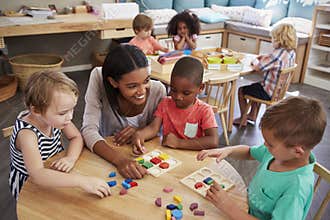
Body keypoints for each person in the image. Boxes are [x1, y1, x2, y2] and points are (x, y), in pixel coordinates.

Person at [197, 96, 327, 220]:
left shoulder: (296, 188)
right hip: (245, 208)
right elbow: (249, 152)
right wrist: (227, 150)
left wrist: (228, 206)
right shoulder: (278, 153)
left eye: (270, 144)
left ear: (298, 152)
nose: (265, 145)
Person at [9, 71, 111, 200]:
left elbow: (76, 137)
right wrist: (82, 181)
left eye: (72, 109)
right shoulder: (27, 135)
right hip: (29, 185)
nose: (70, 117)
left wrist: (70, 158)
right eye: (63, 113)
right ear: (36, 110)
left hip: (53, 171)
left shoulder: (55, 118)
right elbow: (37, 175)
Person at [81, 44, 167, 179]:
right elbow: (88, 130)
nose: (142, 91)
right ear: (113, 82)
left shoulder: (158, 91)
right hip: (106, 159)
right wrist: (119, 160)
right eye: (132, 86)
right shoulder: (99, 77)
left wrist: (140, 132)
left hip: (143, 165)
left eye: (146, 81)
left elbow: (158, 134)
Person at [132, 56, 218, 154]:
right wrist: (140, 135)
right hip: (169, 156)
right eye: (173, 90)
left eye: (186, 93)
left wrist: (179, 143)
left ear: (201, 88)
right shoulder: (165, 103)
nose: (178, 97)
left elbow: (213, 141)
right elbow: (153, 128)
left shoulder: (204, 111)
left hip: (193, 158)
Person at [233, 23, 297, 126]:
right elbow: (273, 61)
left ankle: (243, 119)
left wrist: (255, 61)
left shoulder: (276, 55)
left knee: (242, 90)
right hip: (278, 91)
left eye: (273, 39)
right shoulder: (291, 52)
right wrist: (265, 57)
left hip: (268, 92)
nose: (271, 41)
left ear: (279, 40)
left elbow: (259, 67)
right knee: (256, 86)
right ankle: (252, 115)